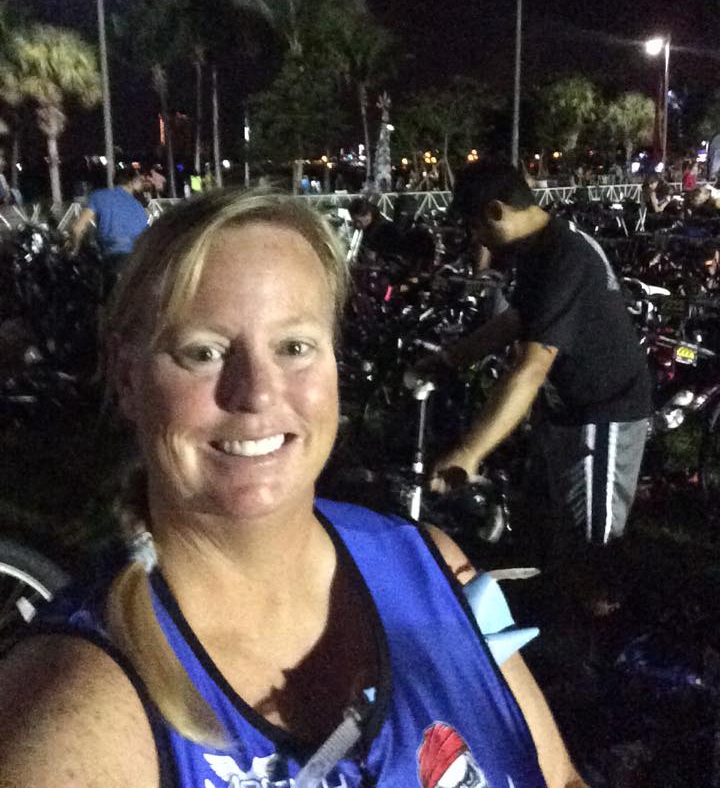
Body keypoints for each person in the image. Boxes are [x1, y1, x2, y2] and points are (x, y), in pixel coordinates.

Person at [0, 190, 585, 788]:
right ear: (128, 379)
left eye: (294, 347)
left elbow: (558, 775)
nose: (256, 392)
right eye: (204, 353)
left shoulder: (429, 568)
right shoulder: (72, 710)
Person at [427, 163, 651, 614]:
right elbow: (517, 319)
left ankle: (597, 636)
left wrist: (469, 453)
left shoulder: (565, 256)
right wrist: (452, 358)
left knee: (594, 546)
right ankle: (558, 614)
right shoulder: (540, 250)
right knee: (556, 528)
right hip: (566, 409)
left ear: (496, 211)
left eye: (475, 226)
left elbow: (531, 367)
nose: (475, 239)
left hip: (603, 414)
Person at [69, 166, 148, 274]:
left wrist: (74, 249)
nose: (143, 183)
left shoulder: (99, 196)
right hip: (138, 261)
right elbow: (146, 234)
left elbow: (77, 228)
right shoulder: (138, 206)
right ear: (130, 183)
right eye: (140, 180)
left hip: (113, 259)